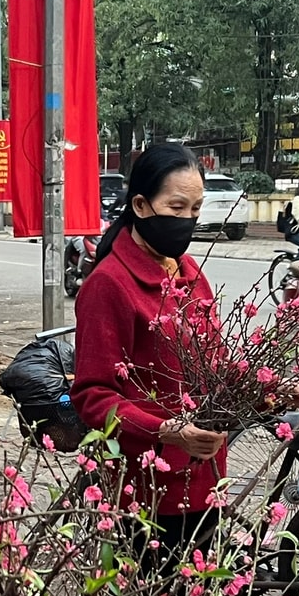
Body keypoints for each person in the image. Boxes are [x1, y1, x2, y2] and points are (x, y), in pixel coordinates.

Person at [73, 141, 227, 557]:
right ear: (141, 206)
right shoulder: (109, 284)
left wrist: (278, 387)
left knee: (199, 591)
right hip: (146, 489)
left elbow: (217, 364)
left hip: (205, 478)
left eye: (195, 210)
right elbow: (93, 396)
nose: (187, 220)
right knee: (154, 592)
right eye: (176, 208)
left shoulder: (190, 274)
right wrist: (163, 429)